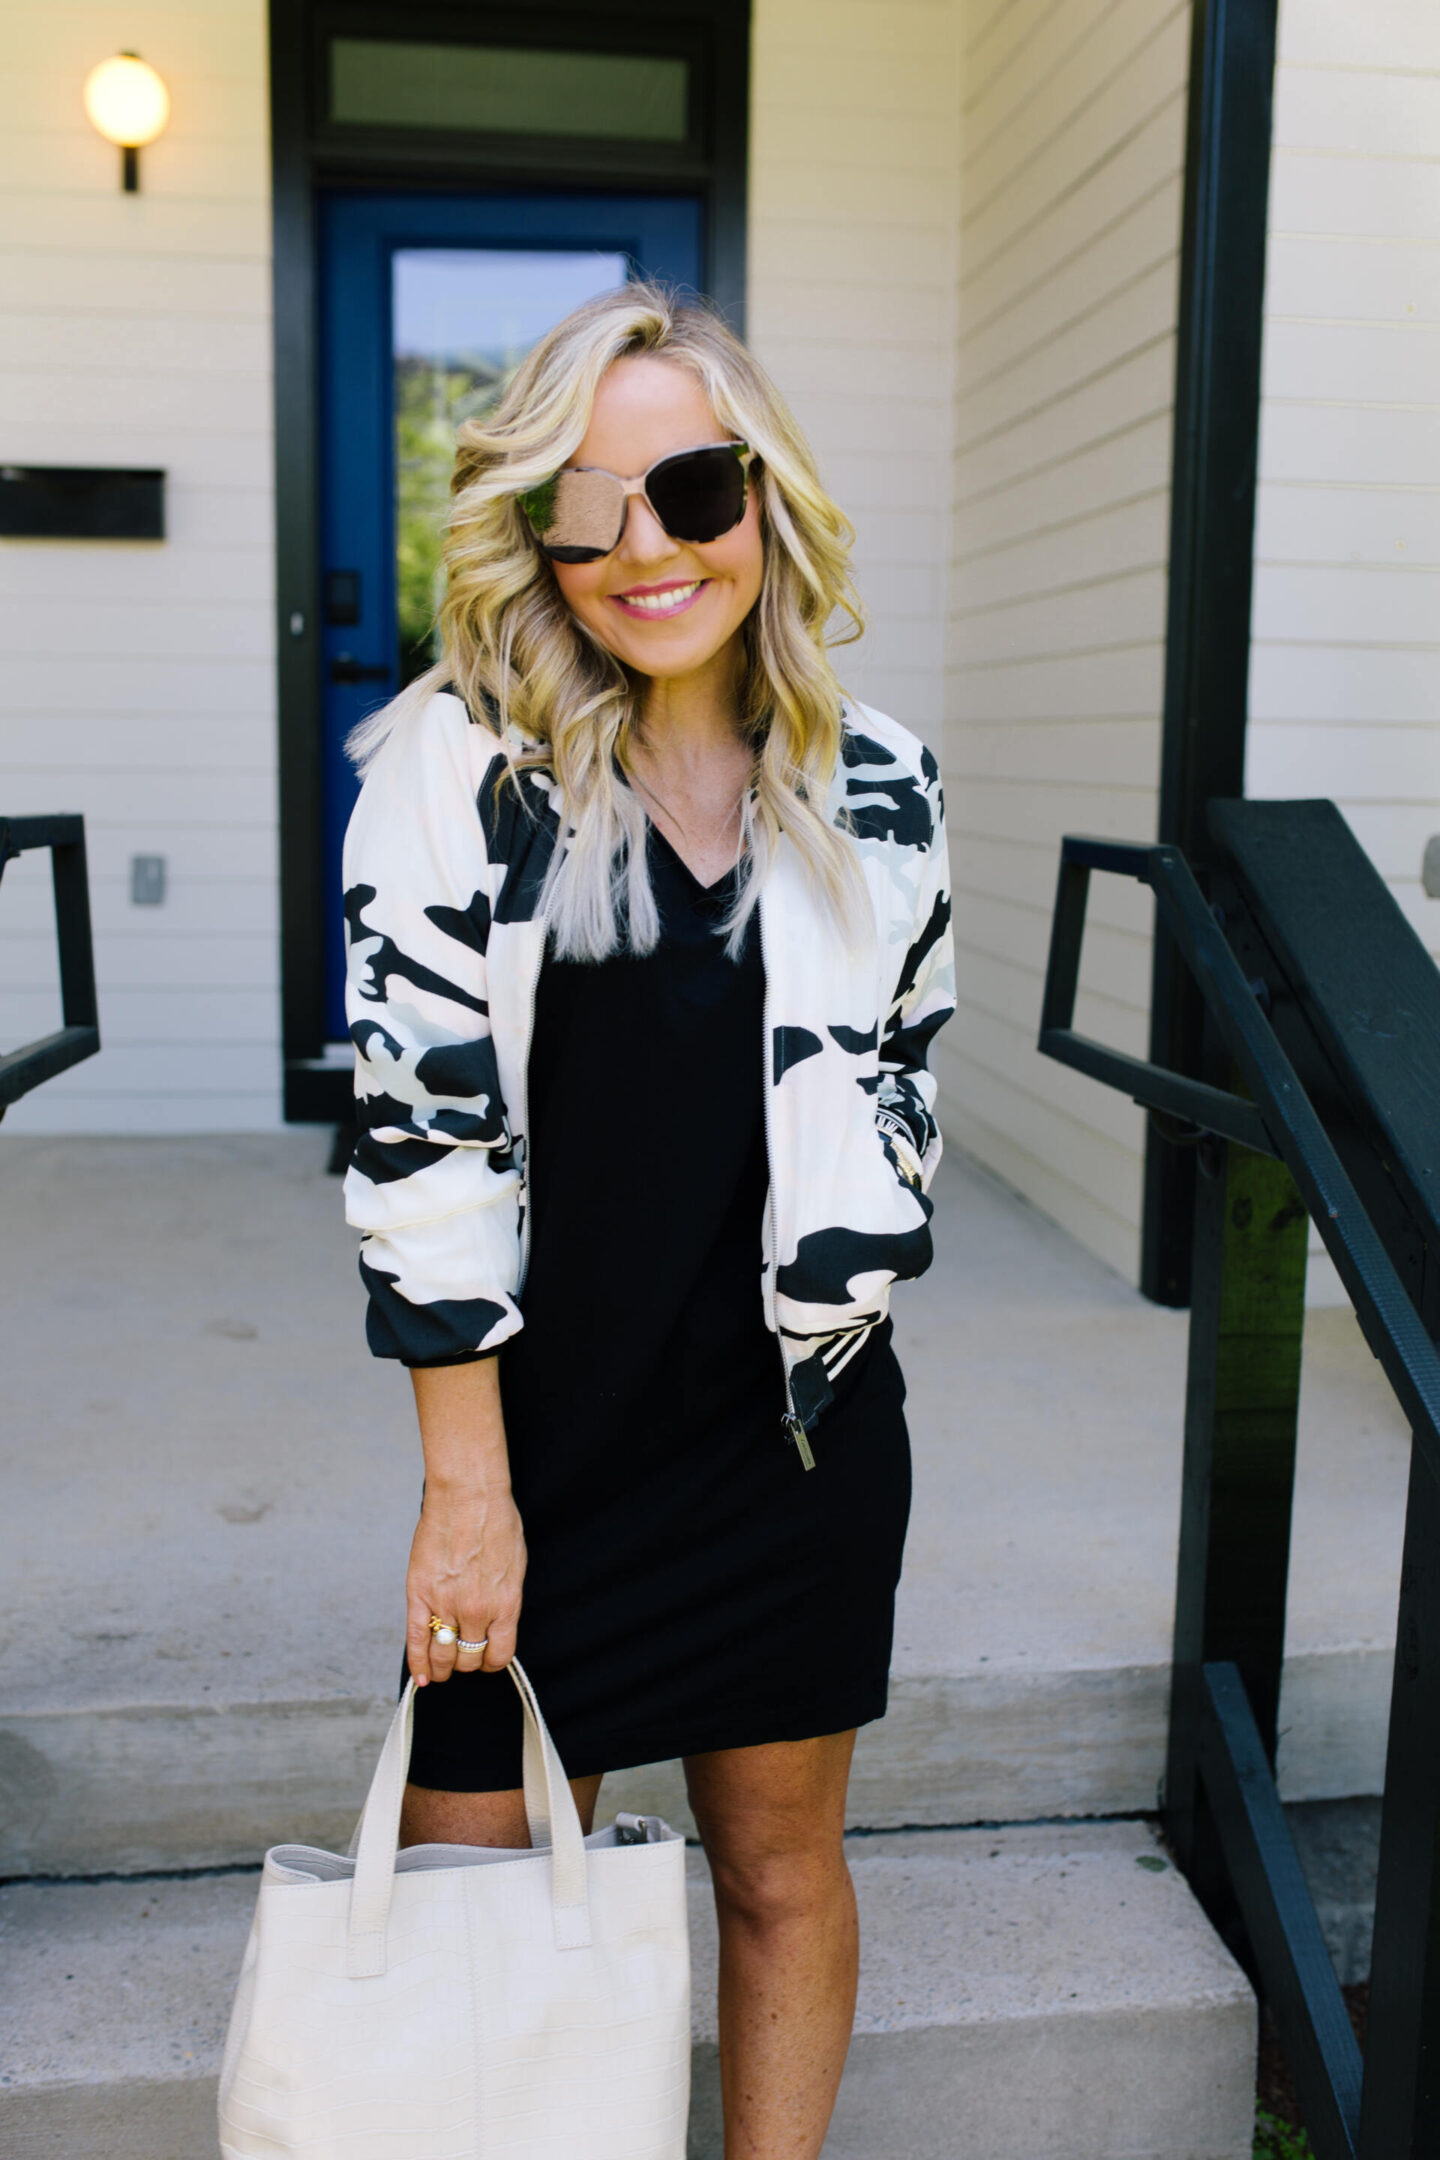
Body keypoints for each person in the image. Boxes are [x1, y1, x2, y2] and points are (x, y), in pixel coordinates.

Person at [341, 283, 953, 2160]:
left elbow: (894, 1097)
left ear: (764, 498)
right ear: (528, 531)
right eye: (580, 506)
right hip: (541, 1449)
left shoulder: (880, 782)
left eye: (689, 489)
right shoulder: (460, 770)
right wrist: (470, 1488)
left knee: (781, 1877)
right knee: (475, 1902)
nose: (644, 550)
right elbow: (417, 1144)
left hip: (792, 1440)